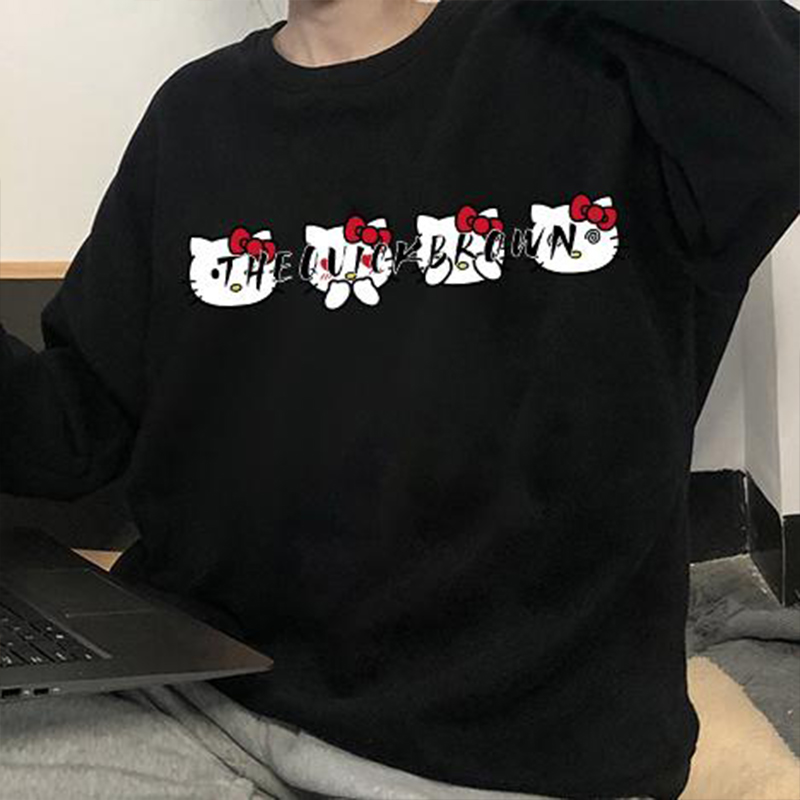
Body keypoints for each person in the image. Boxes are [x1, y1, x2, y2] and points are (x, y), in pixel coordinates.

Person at [1, 0, 798, 798]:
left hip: (510, 758)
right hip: (203, 699)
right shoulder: (193, 114)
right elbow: (76, 425)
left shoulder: (606, 65)